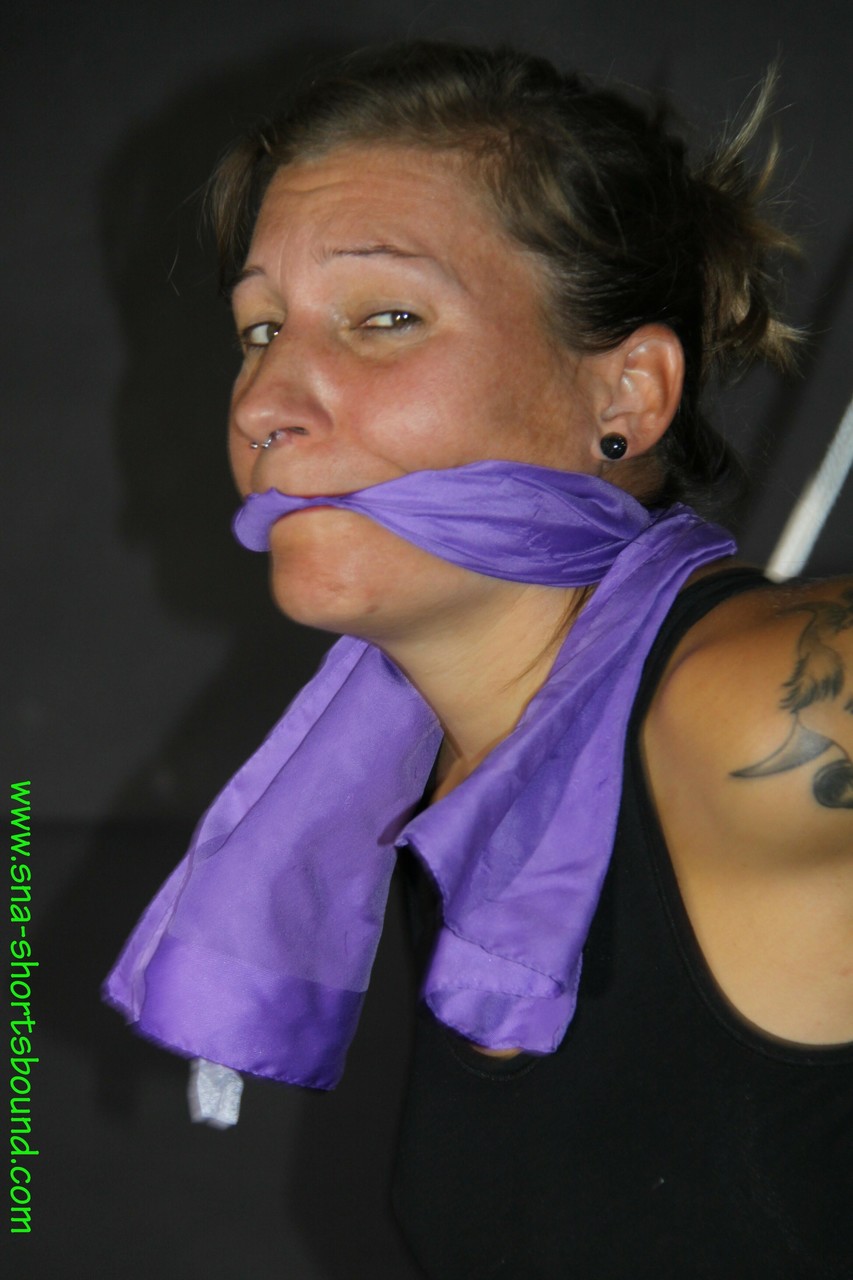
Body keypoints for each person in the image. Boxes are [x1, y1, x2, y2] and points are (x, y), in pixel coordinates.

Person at [105, 41, 853, 1277]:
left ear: (628, 394)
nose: (264, 402)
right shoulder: (449, 780)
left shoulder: (746, 704)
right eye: (259, 329)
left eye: (385, 317)